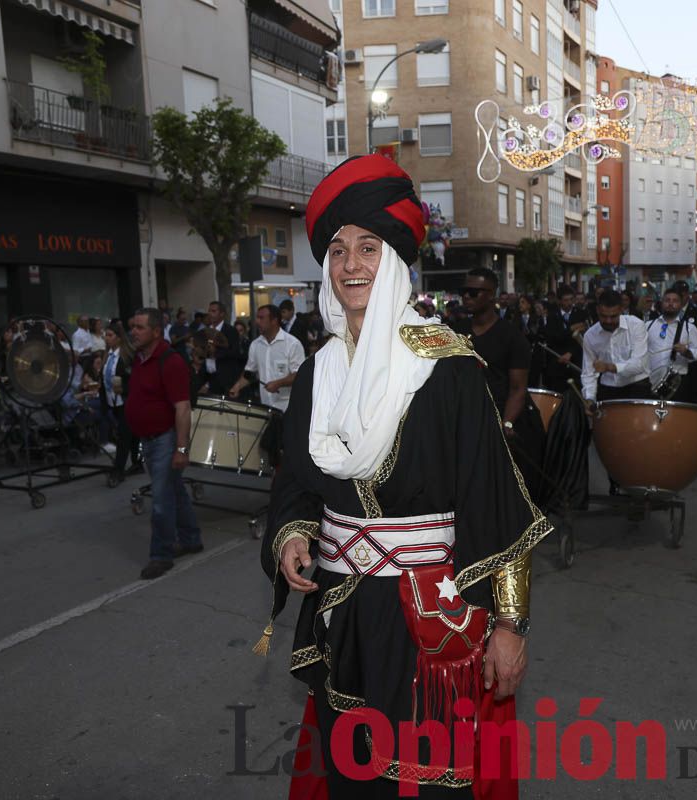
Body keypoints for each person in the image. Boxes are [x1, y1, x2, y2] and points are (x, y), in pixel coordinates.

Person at [260, 156, 547, 797]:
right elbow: (297, 482)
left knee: (426, 780)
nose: (351, 265)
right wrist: (293, 535)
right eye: (337, 251)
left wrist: (510, 626)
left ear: (394, 262)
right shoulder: (319, 372)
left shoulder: (448, 370)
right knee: (352, 777)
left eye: (368, 247)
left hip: (431, 622)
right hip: (345, 616)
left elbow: (494, 506)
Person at [125, 308, 202, 580]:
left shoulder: (170, 361)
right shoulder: (139, 358)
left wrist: (181, 448)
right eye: (133, 326)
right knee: (174, 490)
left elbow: (182, 408)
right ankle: (191, 538)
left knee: (161, 501)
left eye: (140, 327)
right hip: (149, 440)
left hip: (165, 440)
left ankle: (161, 555)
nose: (133, 331)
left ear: (156, 332)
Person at [453, 268, 533, 437]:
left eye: (473, 292)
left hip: (497, 421)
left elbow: (518, 388)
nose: (466, 296)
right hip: (462, 420)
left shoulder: (512, 337)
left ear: (491, 295)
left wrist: (507, 423)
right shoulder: (455, 331)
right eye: (463, 291)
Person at [228, 305, 305, 412]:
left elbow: (299, 375)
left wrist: (279, 383)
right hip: (266, 407)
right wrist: (236, 387)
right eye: (257, 318)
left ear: (274, 320)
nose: (257, 322)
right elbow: (249, 373)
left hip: (288, 407)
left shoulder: (292, 344)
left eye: (261, 318)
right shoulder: (255, 345)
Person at [580, 289, 652, 405]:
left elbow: (639, 364)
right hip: (608, 389)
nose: (608, 321)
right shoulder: (590, 335)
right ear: (597, 310)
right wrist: (590, 398)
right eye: (603, 316)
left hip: (637, 387)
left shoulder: (636, 325)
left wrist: (609, 367)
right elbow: (588, 373)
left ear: (621, 310)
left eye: (613, 316)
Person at [644, 287, 697, 403]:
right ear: (661, 303)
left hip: (676, 382)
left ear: (681, 305)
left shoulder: (689, 328)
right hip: (650, 380)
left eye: (675, 301)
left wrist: (686, 351)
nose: (670, 303)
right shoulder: (648, 325)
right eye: (667, 300)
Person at [100, 320, 137, 480]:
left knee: (124, 435)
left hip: (125, 401)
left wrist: (124, 388)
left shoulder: (127, 356)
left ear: (119, 338)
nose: (107, 338)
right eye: (105, 335)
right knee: (132, 433)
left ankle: (118, 469)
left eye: (110, 335)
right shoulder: (107, 356)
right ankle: (138, 462)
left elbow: (134, 378)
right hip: (111, 400)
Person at [542, 285, 588, 392]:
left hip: (576, 361)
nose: (569, 303)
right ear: (559, 301)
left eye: (571, 299)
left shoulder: (581, 314)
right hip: (558, 361)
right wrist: (570, 329)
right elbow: (552, 337)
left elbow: (583, 338)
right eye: (566, 300)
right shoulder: (553, 316)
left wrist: (570, 353)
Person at [204, 301, 242, 394]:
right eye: (209, 311)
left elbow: (234, 352)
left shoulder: (230, 330)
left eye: (213, 311)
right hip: (208, 376)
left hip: (225, 377)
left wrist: (215, 353)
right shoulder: (206, 330)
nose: (210, 314)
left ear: (222, 314)